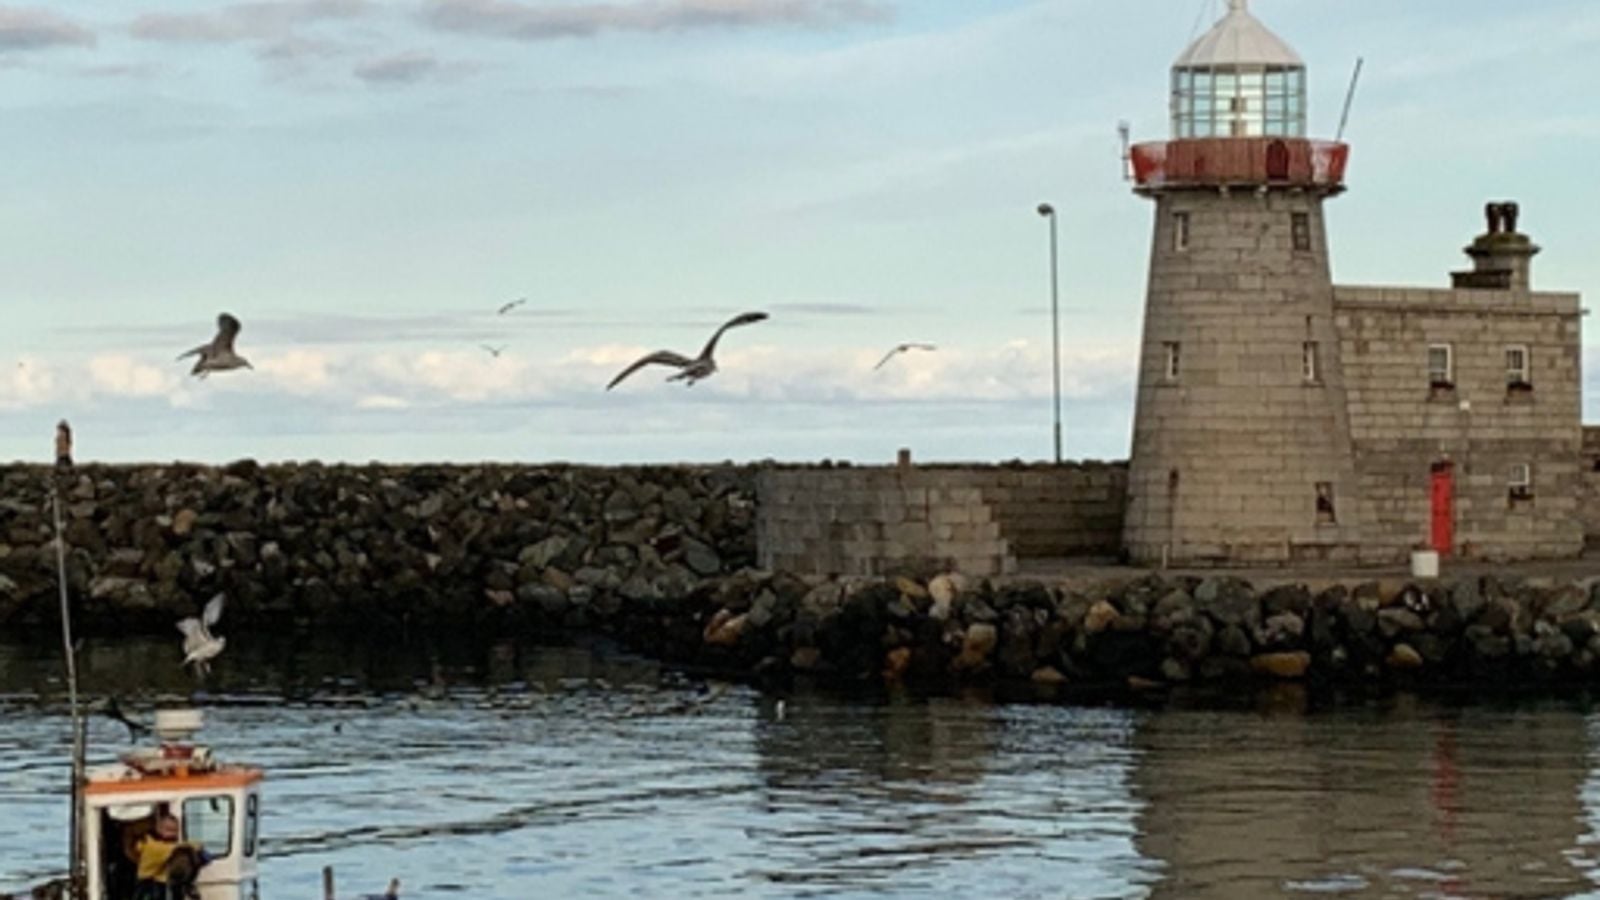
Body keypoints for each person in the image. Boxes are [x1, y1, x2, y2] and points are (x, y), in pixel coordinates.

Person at [132, 815, 207, 900]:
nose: (172, 834)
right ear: (159, 828)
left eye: (175, 830)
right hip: (151, 885)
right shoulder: (154, 847)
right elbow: (176, 847)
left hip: (155, 884)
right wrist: (197, 847)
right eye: (168, 830)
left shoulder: (148, 842)